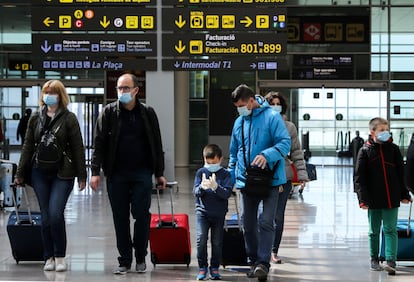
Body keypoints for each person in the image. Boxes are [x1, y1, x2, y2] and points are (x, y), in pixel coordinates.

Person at [89, 73, 167, 275]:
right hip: (117, 174)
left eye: (125, 88)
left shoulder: (147, 113)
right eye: (119, 88)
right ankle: (124, 260)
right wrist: (95, 172)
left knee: (142, 215)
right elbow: (99, 144)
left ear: (135, 90)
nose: (122, 92)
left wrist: (159, 173)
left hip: (142, 173)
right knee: (120, 218)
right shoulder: (108, 113)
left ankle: (140, 256)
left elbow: (157, 144)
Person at [14, 79, 87, 272]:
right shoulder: (35, 118)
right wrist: (20, 173)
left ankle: (60, 255)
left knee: (55, 214)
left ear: (60, 95)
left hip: (62, 174)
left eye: (53, 92)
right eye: (46, 92)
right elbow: (28, 146)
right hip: (39, 173)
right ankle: (49, 256)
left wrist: (82, 176)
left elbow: (78, 147)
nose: (49, 96)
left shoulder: (69, 118)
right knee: (45, 217)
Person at [228, 84, 291, 281]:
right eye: (237, 106)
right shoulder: (239, 122)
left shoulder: (272, 117)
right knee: (248, 222)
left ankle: (263, 262)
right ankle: (253, 260)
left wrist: (266, 155)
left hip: (270, 180)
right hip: (246, 180)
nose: (239, 109)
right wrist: (230, 178)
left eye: (241, 105)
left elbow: (284, 143)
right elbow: (233, 152)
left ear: (251, 101)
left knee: (265, 221)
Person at [354, 117, 412, 275]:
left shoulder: (393, 149)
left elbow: (401, 174)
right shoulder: (365, 151)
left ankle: (391, 260)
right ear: (372, 132)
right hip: (373, 199)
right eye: (382, 130)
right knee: (374, 230)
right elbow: (359, 178)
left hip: (391, 197)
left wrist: (404, 194)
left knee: (390, 229)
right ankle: (374, 258)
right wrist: (362, 199)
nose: (385, 133)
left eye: (387, 130)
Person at [264, 91, 308, 264]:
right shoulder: (261, 124)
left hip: (284, 176)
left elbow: (297, 152)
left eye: (278, 103)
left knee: (278, 216)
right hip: (263, 176)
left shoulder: (289, 127)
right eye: (272, 103)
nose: (276, 106)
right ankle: (263, 249)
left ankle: (273, 250)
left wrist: (302, 175)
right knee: (264, 216)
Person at [193, 144, 233, 280]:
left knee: (217, 242)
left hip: (219, 214)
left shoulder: (226, 174)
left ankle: (214, 267)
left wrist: (216, 187)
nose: (211, 165)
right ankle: (202, 267)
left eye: (214, 163)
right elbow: (195, 192)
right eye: (208, 163)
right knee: (201, 239)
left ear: (220, 159)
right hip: (202, 213)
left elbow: (227, 194)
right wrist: (202, 188)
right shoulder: (201, 172)